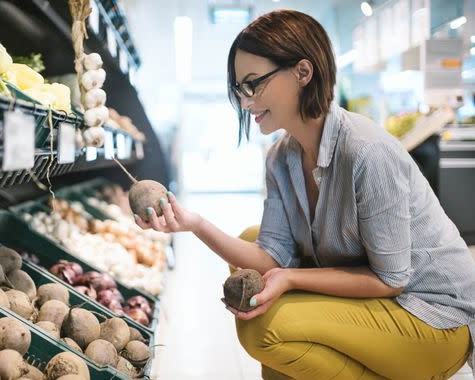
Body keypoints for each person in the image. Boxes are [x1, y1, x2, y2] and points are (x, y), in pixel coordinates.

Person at [135, 9, 474, 379]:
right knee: (253, 253)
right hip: (384, 299)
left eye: (253, 84)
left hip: (431, 317)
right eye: (240, 90)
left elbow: (392, 279)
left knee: (265, 330)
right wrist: (194, 224)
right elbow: (271, 256)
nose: (246, 103)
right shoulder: (282, 158)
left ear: (302, 73)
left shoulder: (365, 151)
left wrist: (292, 279)